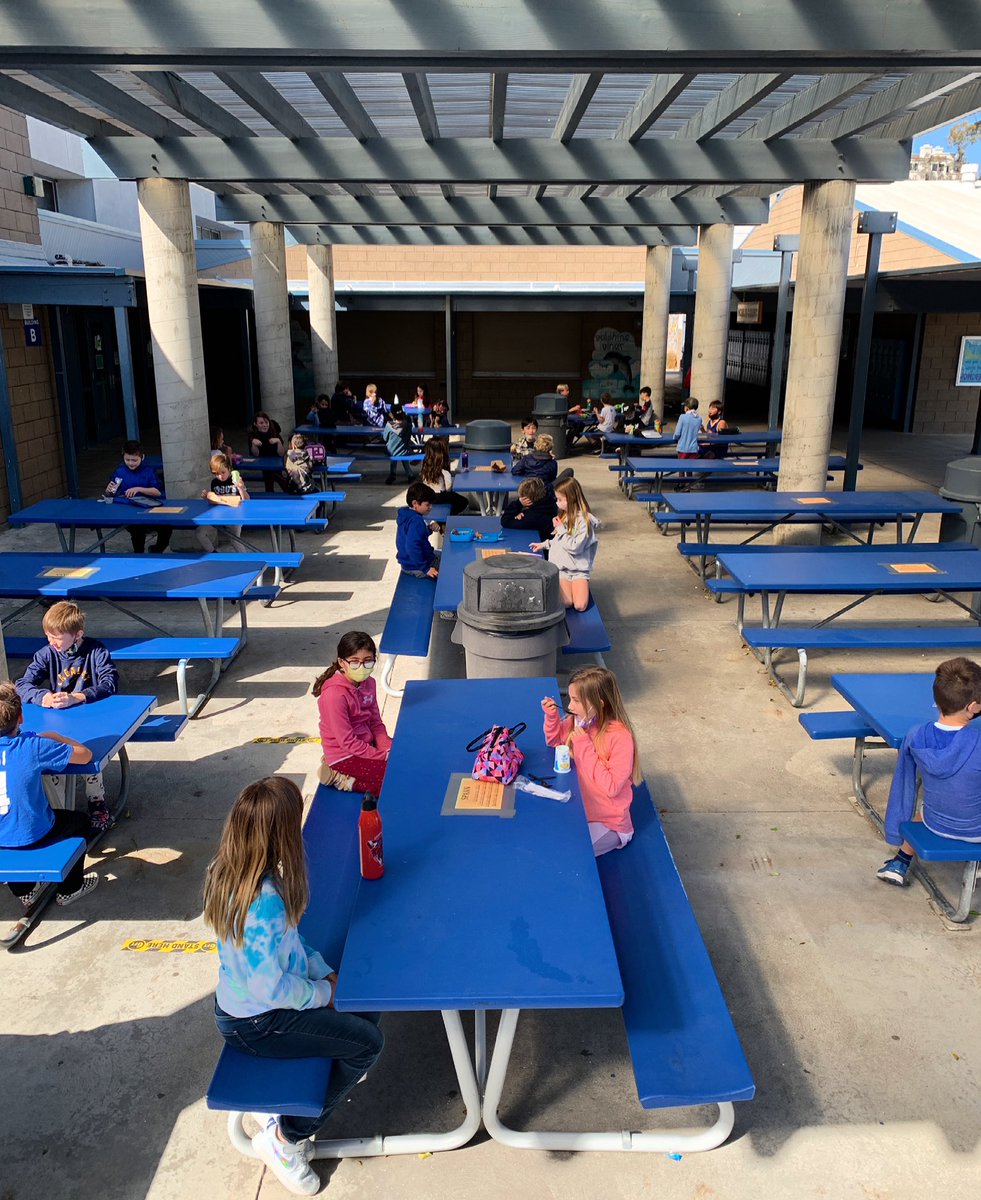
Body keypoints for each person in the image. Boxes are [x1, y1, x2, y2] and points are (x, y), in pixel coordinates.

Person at [205, 776, 384, 1196]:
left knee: (365, 1006)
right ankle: (287, 1137)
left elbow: (290, 942)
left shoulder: (228, 871)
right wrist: (324, 994)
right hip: (258, 1023)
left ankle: (300, 1104)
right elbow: (270, 990)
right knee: (367, 1045)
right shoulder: (264, 900)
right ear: (281, 835)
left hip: (249, 1008)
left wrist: (322, 972)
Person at [15, 601, 118, 834]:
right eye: (48, 636)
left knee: (90, 758)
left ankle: (97, 802)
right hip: (58, 721)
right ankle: (59, 809)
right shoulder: (46, 654)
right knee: (55, 762)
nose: (51, 642)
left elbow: (110, 683)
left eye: (57, 638)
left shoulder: (96, 651)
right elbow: (22, 683)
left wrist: (78, 697)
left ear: (77, 634)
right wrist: (42, 697)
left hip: (91, 720)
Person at [878, 657, 981, 887]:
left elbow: (903, 784)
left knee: (926, 808)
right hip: (976, 830)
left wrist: (895, 830)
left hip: (935, 821)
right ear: (973, 707)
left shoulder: (915, 735)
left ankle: (899, 863)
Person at [0, 681, 98, 908]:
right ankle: (70, 889)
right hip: (34, 832)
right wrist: (55, 736)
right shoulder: (33, 745)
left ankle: (25, 890)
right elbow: (85, 754)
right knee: (80, 821)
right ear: (20, 717)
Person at [541, 666, 642, 857]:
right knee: (544, 839)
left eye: (576, 701)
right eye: (570, 698)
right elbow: (555, 743)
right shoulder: (579, 720)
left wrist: (583, 745)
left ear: (598, 704)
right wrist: (552, 718)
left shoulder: (620, 737)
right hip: (581, 811)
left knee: (568, 855)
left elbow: (611, 787)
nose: (570, 706)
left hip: (608, 823)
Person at [312, 631, 393, 796]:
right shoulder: (334, 696)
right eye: (355, 662)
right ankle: (340, 778)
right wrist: (382, 756)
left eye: (368, 661)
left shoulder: (369, 683)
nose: (362, 667)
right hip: (344, 755)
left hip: (366, 745)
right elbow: (347, 742)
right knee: (392, 782)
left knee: (407, 762)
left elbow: (375, 722)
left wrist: (387, 748)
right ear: (342, 663)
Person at [531, 477, 600, 611]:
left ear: (571, 498)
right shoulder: (564, 515)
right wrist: (544, 544)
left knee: (580, 606)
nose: (557, 503)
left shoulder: (585, 522)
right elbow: (559, 541)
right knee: (566, 602)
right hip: (562, 569)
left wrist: (561, 529)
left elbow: (575, 548)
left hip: (579, 571)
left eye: (560, 499)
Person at [103, 439, 172, 554]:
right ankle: (138, 555)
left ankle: (156, 550)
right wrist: (108, 490)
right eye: (127, 460)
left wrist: (138, 489)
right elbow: (111, 493)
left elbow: (157, 492)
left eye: (134, 460)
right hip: (128, 511)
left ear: (142, 457)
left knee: (166, 528)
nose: (130, 463)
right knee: (137, 531)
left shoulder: (148, 471)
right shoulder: (120, 472)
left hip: (149, 509)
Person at [198, 452, 250, 552]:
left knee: (235, 539)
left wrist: (240, 488)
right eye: (216, 474)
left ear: (229, 469)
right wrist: (207, 497)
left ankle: (245, 558)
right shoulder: (214, 482)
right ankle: (214, 554)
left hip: (235, 516)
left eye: (223, 472)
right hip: (218, 516)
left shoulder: (235, 481)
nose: (220, 476)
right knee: (200, 532)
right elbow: (214, 500)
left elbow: (246, 500)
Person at [396, 481, 440, 579]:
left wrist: (429, 529)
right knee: (450, 565)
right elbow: (411, 546)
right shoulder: (416, 521)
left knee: (442, 554)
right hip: (418, 566)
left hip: (407, 564)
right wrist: (426, 569)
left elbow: (416, 535)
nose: (430, 507)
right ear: (415, 503)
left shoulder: (406, 515)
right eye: (427, 505)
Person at [419, 438, 468, 516]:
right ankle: (450, 515)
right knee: (464, 501)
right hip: (440, 497)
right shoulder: (444, 472)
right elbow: (448, 488)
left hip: (428, 496)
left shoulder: (425, 468)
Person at [501, 476, 558, 541]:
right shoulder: (549, 503)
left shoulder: (532, 517)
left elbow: (506, 521)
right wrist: (521, 511)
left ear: (526, 499)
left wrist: (519, 503)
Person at [383, 408, 416, 485]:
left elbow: (385, 438)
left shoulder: (388, 425)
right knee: (402, 451)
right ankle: (410, 475)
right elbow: (408, 438)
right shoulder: (408, 425)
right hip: (404, 451)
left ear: (393, 416)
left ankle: (393, 473)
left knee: (394, 452)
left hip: (391, 451)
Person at [673, 397, 701, 489]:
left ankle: (681, 484)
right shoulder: (699, 418)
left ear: (687, 407)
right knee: (690, 467)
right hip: (693, 447)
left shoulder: (683, 417)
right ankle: (689, 484)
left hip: (683, 447)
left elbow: (677, 433)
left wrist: (675, 438)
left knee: (681, 467)